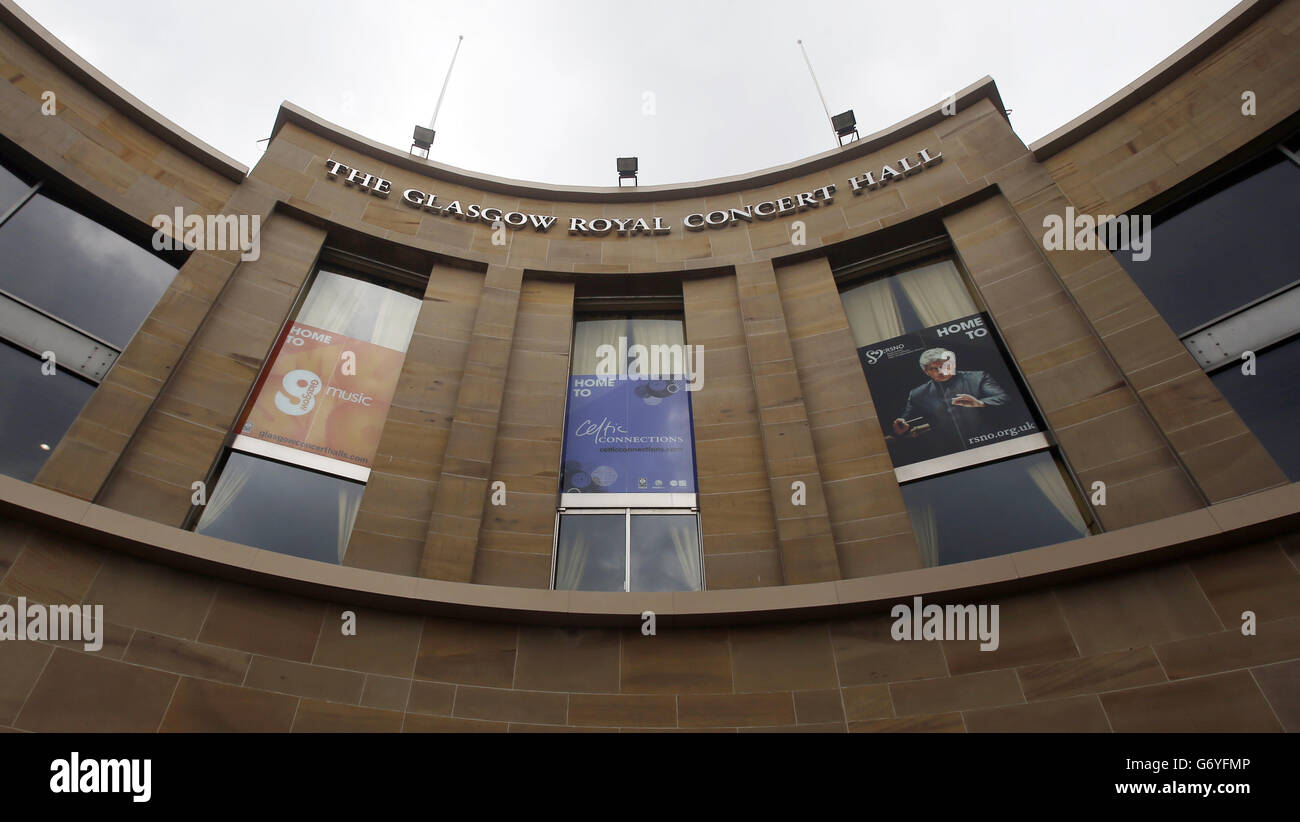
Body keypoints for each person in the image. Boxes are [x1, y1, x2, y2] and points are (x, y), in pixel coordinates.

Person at [892, 348, 1008, 448]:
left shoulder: (978, 377)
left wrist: (980, 403)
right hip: (949, 450)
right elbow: (906, 422)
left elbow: (1003, 398)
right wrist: (902, 429)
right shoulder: (917, 394)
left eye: (944, 366)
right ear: (926, 371)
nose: (940, 372)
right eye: (933, 369)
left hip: (990, 440)